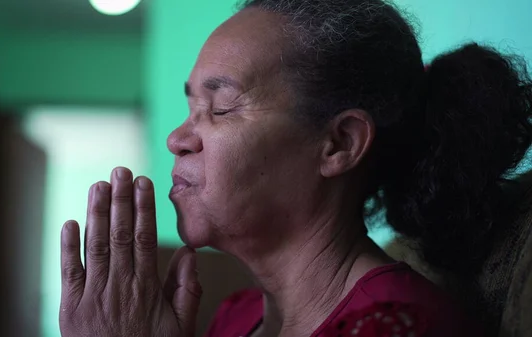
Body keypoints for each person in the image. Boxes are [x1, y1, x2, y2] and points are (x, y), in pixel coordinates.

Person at [58, 0, 532, 336]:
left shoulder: (401, 326)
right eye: (189, 108)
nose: (176, 139)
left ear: (338, 144)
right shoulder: (236, 318)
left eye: (220, 107)